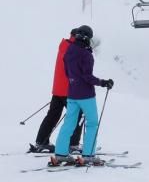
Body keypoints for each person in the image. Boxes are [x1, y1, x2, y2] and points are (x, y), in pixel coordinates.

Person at [50, 25, 114, 167]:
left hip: (72, 94)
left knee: (69, 123)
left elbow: (67, 73)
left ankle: (60, 153)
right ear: (86, 38)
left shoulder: (69, 51)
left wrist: (74, 82)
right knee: (92, 123)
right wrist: (103, 83)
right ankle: (88, 154)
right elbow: (87, 77)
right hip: (86, 95)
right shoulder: (86, 55)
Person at [30, 28, 84, 153]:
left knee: (52, 116)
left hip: (58, 89)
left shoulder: (64, 46)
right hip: (69, 90)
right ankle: (73, 144)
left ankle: (41, 141)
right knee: (77, 115)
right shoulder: (74, 49)